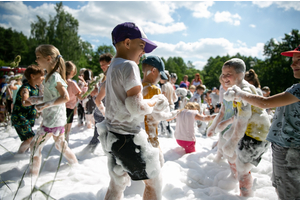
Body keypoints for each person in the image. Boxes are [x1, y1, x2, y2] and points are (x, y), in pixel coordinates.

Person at [96, 22, 164, 200]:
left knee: (117, 184)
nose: (144, 53)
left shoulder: (112, 67)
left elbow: (107, 97)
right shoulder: (129, 66)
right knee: (154, 182)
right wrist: (156, 101)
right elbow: (135, 107)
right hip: (128, 137)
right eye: (141, 46)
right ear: (127, 43)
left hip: (112, 136)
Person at [225, 45, 300, 200]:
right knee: (282, 183)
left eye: (299, 60)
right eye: (293, 60)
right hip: (284, 145)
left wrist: (240, 94)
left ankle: (245, 195)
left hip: (289, 147)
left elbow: (266, 103)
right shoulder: (295, 87)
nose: (292, 64)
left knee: (287, 188)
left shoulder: (298, 90)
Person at [208, 58, 271, 197]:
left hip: (256, 134)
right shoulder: (237, 90)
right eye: (223, 74)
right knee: (239, 163)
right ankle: (244, 190)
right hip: (253, 132)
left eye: (228, 74)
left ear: (240, 74)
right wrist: (229, 130)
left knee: (243, 168)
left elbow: (243, 120)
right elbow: (237, 117)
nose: (224, 78)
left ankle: (245, 196)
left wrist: (232, 141)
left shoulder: (243, 91)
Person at [28, 44, 78, 176]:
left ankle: (31, 178)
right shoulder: (49, 77)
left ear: (48, 58)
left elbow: (65, 97)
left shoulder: (55, 77)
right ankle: (76, 166)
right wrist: (36, 99)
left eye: (38, 57)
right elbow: (50, 97)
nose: (36, 60)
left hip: (53, 119)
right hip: (55, 118)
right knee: (60, 145)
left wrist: (45, 105)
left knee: (34, 146)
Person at [11, 65, 44, 154]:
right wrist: (39, 100)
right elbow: (24, 102)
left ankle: (20, 157)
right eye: (40, 75)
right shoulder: (26, 88)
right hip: (20, 117)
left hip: (26, 118)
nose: (42, 78)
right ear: (32, 76)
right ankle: (18, 156)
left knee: (28, 139)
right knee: (31, 139)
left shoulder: (36, 88)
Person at [84, 53, 113, 153]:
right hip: (101, 113)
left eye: (104, 64)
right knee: (98, 137)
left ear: (110, 62)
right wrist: (96, 93)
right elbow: (100, 97)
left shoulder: (111, 76)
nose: (102, 67)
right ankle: (84, 155)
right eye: (100, 65)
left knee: (104, 138)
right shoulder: (103, 78)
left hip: (105, 113)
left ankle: (86, 154)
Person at [65, 61, 82, 143]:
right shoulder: (71, 83)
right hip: (69, 108)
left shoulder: (59, 81)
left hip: (60, 107)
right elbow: (80, 95)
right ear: (72, 72)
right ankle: (66, 140)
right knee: (68, 126)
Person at [158, 70, 178, 136]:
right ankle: (169, 134)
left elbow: (163, 96)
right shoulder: (171, 85)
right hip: (171, 105)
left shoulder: (164, 86)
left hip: (166, 106)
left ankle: (165, 133)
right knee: (167, 122)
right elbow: (175, 98)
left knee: (163, 121)